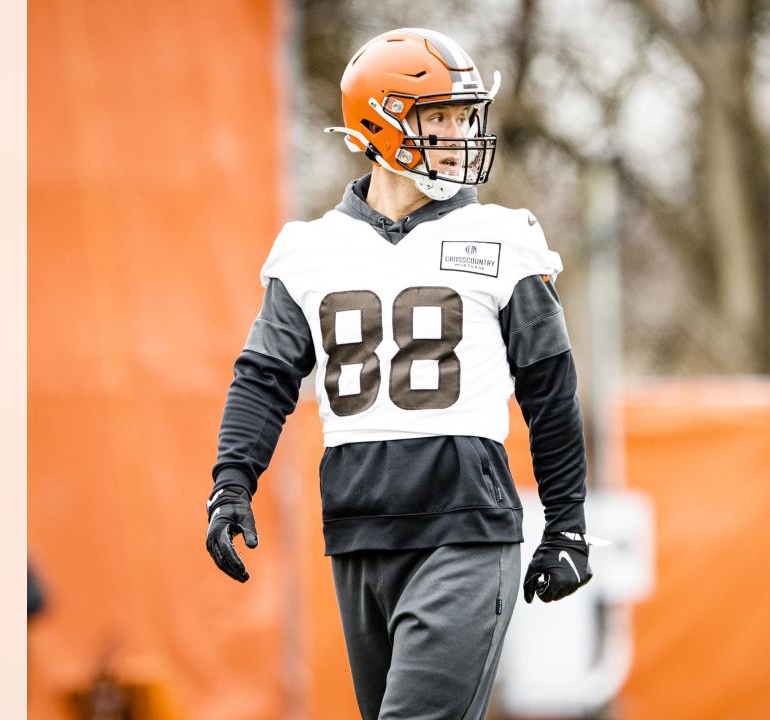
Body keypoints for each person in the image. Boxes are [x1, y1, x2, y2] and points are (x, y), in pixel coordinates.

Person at [205, 28, 592, 719]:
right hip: (359, 531)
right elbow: (262, 379)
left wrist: (566, 525)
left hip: (464, 529)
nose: (456, 133)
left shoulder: (505, 238)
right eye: (437, 116)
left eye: (462, 116)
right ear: (378, 121)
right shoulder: (310, 250)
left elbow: (550, 391)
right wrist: (232, 483)